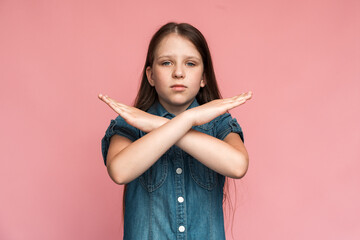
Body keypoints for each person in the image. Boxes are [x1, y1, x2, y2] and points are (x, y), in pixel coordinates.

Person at [99, 22, 252, 240]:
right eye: (167, 62)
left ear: (203, 77)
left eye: (190, 63)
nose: (178, 73)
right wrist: (187, 121)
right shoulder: (129, 123)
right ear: (150, 75)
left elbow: (238, 166)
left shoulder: (219, 124)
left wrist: (166, 123)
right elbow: (120, 171)